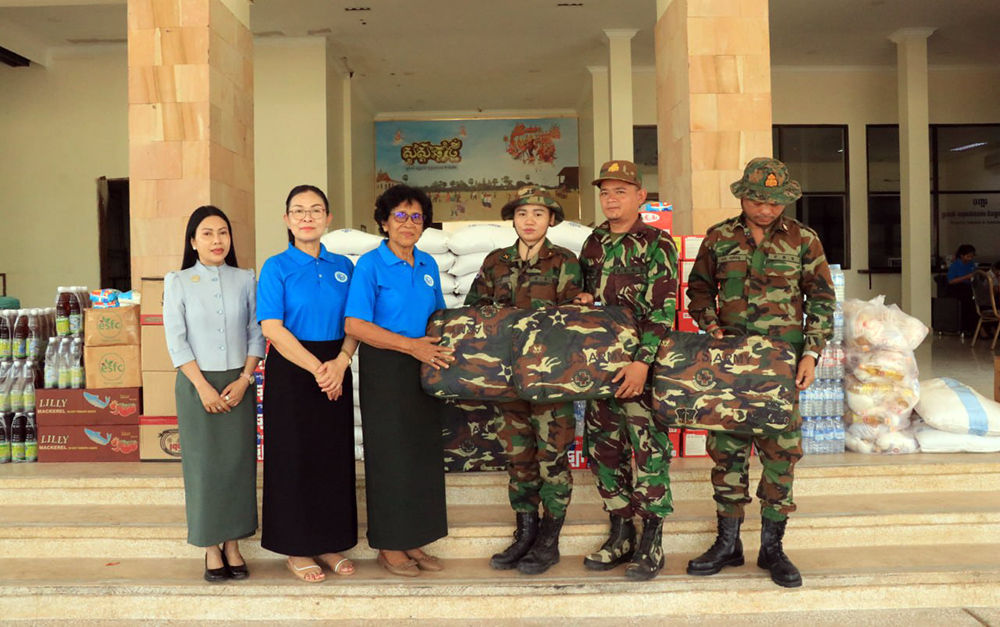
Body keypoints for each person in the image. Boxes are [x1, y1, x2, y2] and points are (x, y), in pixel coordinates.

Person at [685, 157, 836, 589]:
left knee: (780, 453)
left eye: (774, 202)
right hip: (730, 365)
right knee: (727, 452)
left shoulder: (804, 240)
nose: (766, 210)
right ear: (742, 197)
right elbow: (698, 289)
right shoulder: (719, 237)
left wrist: (811, 354)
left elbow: (821, 301)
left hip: (780, 367)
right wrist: (711, 326)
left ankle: (772, 548)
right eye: (757, 201)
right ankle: (727, 543)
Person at [464, 185, 584, 575]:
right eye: (522, 213)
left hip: (551, 380)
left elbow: (574, 321)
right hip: (506, 378)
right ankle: (525, 532)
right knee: (518, 459)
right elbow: (474, 310)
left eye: (538, 214)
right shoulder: (496, 262)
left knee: (552, 458)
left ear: (551, 220)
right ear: (512, 219)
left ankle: (549, 538)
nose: (529, 221)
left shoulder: (564, 261)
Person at [573, 160, 678, 581]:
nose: (611, 199)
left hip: (641, 368)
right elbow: (585, 295)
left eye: (620, 191)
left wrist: (641, 362)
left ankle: (652, 540)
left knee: (649, 451)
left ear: (640, 197)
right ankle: (620, 533)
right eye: (605, 192)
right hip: (599, 368)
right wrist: (582, 299)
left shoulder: (657, 243)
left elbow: (663, 309)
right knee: (604, 450)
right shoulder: (593, 242)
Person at [344, 184, 454, 578]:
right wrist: (410, 346)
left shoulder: (427, 265)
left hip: (424, 368)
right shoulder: (370, 265)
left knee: (421, 456)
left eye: (417, 217)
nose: (408, 224)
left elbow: (439, 317)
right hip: (386, 368)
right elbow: (355, 325)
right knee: (390, 457)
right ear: (384, 222)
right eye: (400, 216)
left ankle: (414, 539)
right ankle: (389, 545)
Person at [257, 185, 359, 583]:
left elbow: (355, 322)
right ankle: (297, 547)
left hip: (336, 364)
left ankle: (329, 541)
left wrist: (341, 362)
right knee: (294, 457)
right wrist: (320, 370)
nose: (307, 217)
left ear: (328, 218)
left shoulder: (343, 266)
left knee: (332, 456)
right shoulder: (276, 267)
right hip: (293, 370)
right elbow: (272, 328)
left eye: (316, 210)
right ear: (286, 219)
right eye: (298, 210)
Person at [163, 205, 265, 582]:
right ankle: (210, 546)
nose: (217, 240)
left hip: (239, 384)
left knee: (238, 465)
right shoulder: (177, 281)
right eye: (207, 233)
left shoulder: (246, 278)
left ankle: (233, 544)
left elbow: (256, 333)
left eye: (223, 232)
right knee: (204, 467)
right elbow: (176, 340)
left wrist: (245, 379)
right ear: (193, 241)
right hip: (197, 385)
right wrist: (203, 386)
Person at [946, 244, 978, 336]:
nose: (969, 259)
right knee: (967, 303)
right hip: (958, 288)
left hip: (970, 287)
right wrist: (965, 277)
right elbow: (951, 281)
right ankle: (967, 327)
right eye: (968, 256)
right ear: (962, 255)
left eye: (971, 257)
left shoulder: (971, 264)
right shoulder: (955, 265)